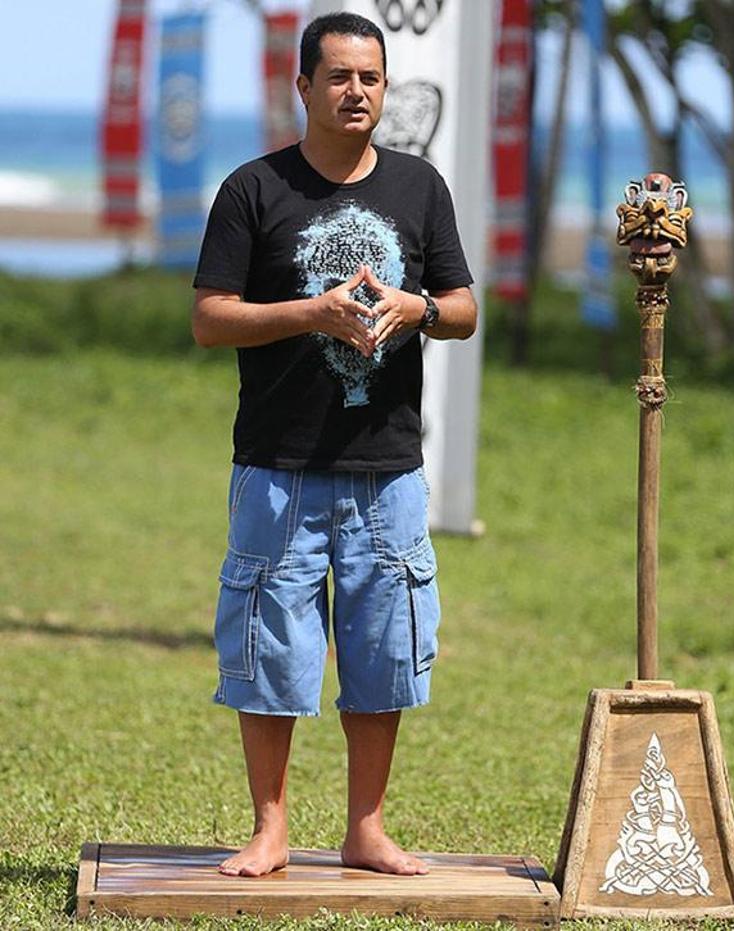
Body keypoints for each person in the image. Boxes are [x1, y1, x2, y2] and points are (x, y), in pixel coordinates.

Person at [192, 11, 476, 879]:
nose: (358, 92)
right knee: (269, 649)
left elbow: (464, 309)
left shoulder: (420, 187)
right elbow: (210, 319)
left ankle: (366, 828)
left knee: (385, 650)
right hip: (277, 465)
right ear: (304, 86)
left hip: (387, 466)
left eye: (372, 78)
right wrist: (311, 313)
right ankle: (270, 829)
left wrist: (418, 308)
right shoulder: (254, 189)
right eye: (341, 77)